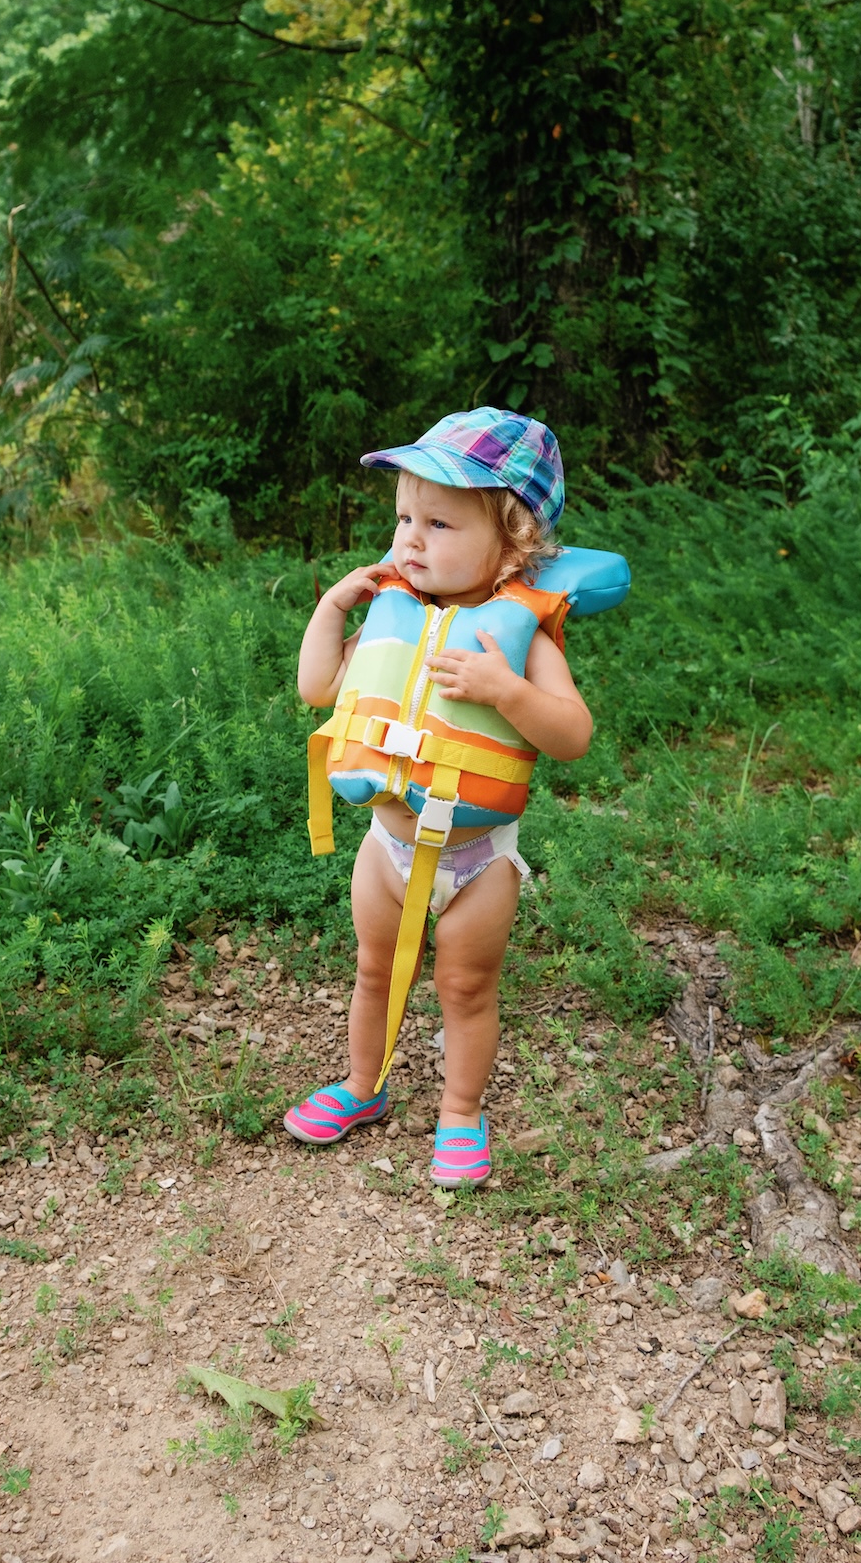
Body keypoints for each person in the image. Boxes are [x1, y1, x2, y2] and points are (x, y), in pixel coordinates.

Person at [285, 408, 592, 1185]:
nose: (409, 541)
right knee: (374, 970)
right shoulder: (396, 619)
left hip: (476, 861)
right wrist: (331, 609)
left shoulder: (517, 638)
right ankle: (362, 1085)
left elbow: (572, 734)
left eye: (439, 523)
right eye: (403, 519)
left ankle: (460, 1109)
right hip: (387, 847)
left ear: (513, 541)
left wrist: (508, 690)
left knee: (465, 986)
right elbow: (318, 686)